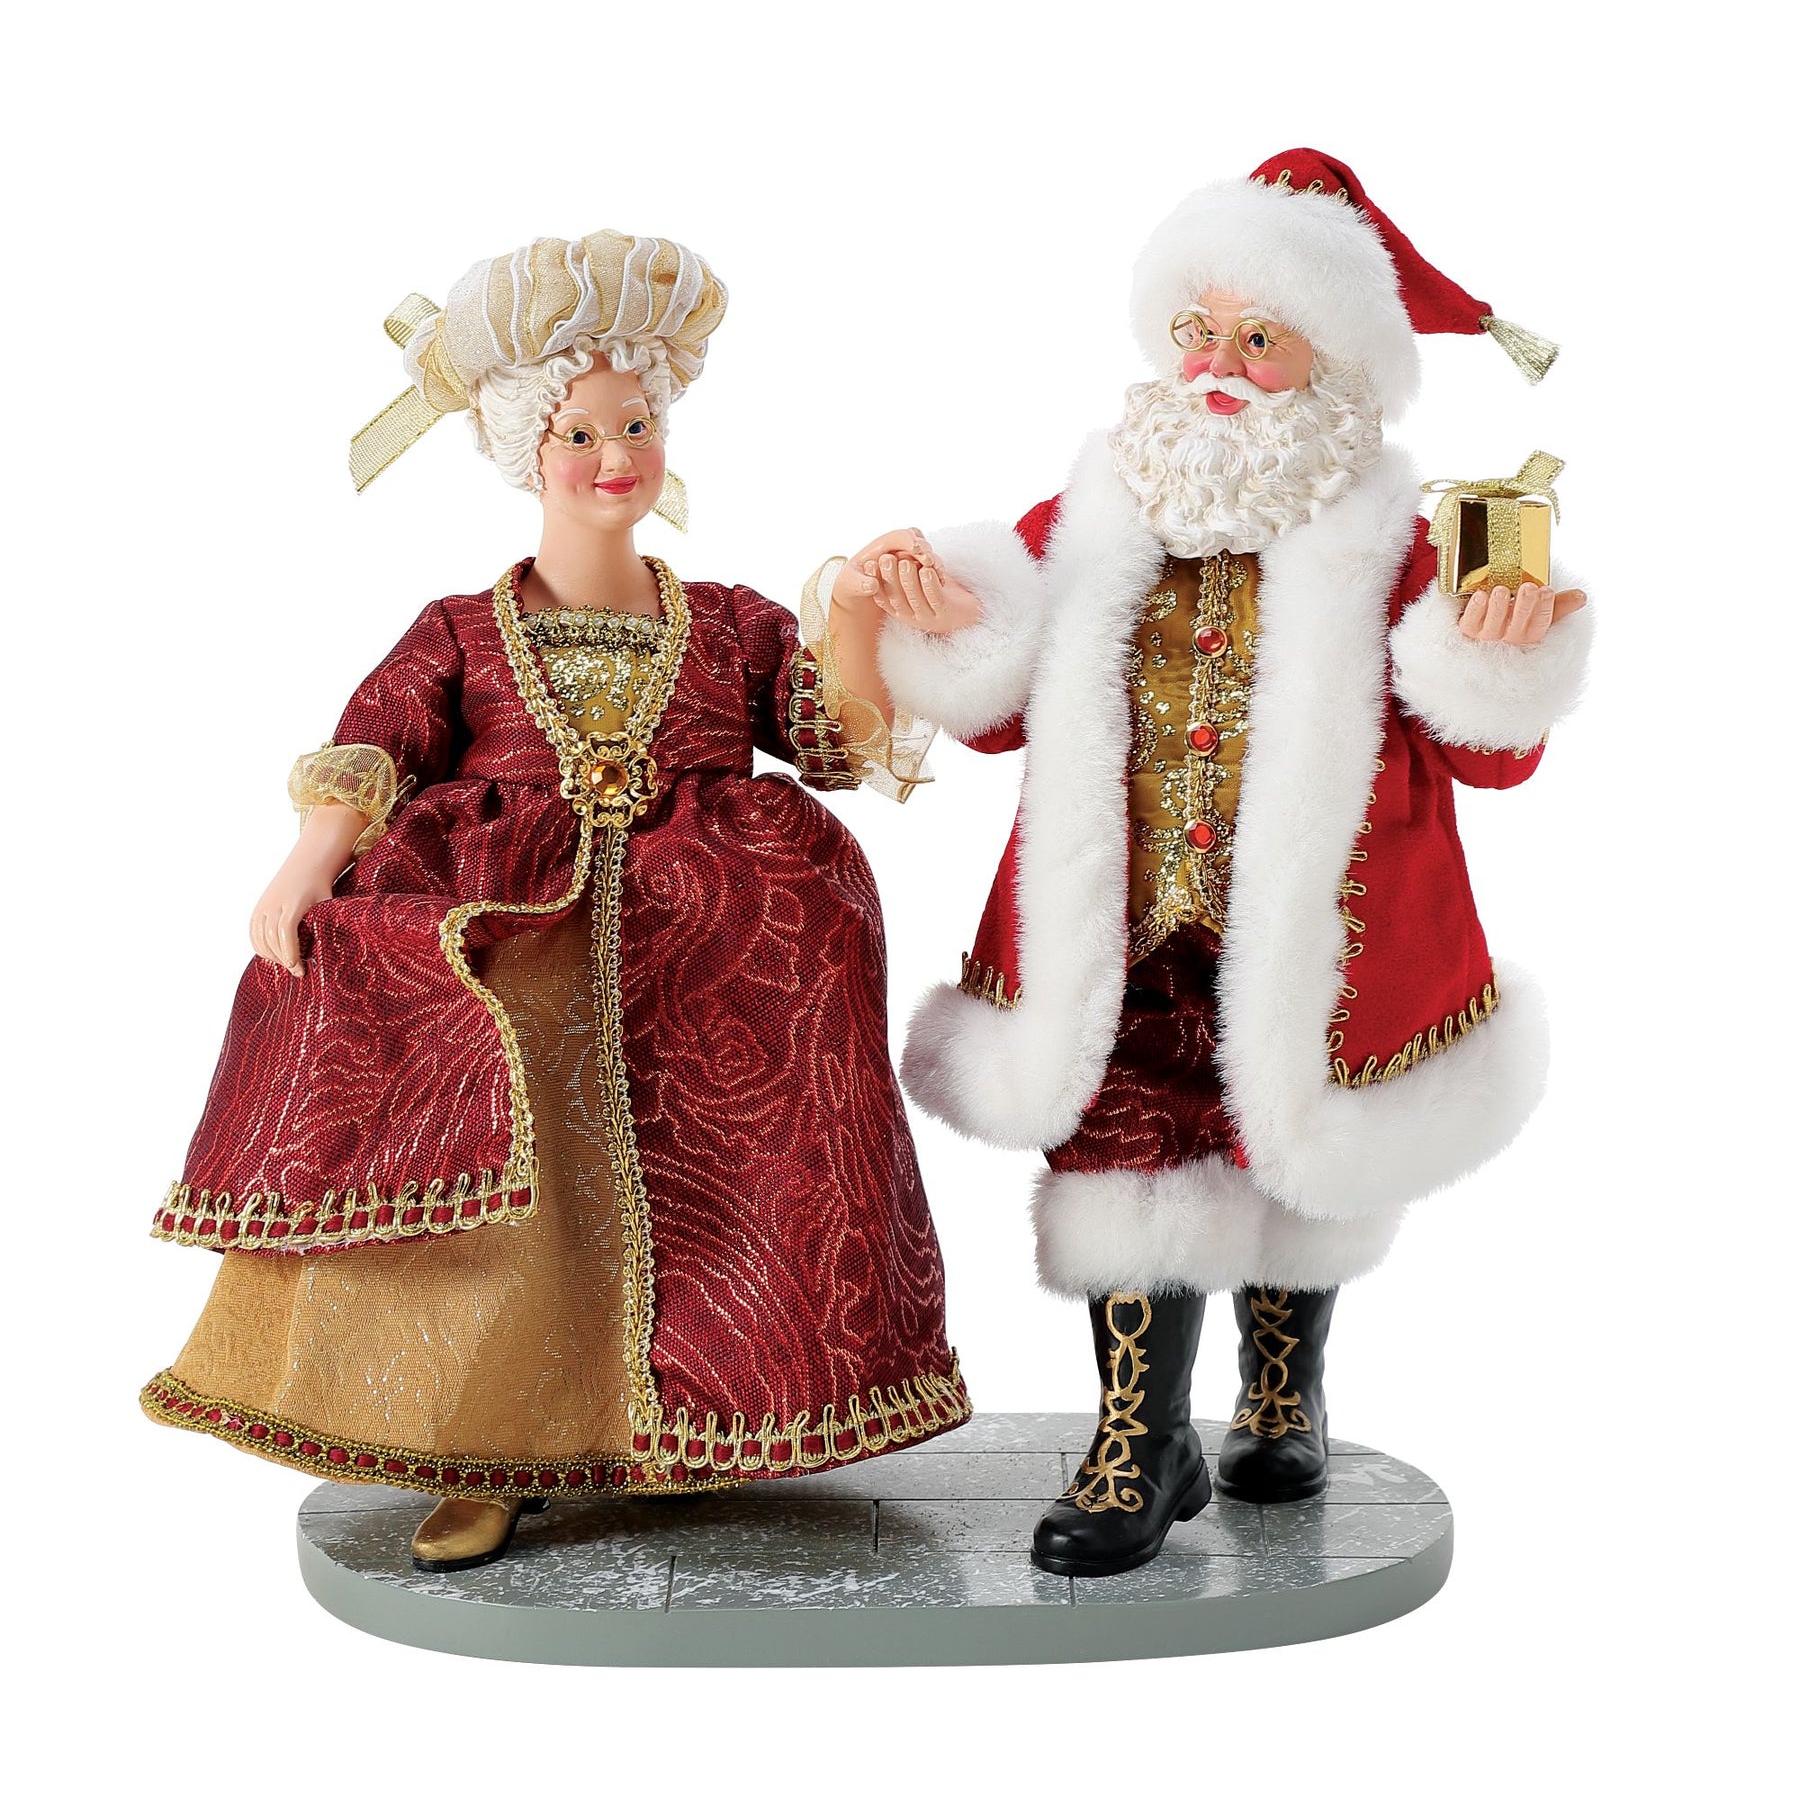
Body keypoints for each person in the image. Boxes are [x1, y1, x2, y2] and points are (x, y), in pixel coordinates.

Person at [142, 229, 969, 1574]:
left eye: (635, 425)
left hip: (708, 949)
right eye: (580, 434)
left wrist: (862, 612)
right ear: (527, 450)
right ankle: (490, 1446)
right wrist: (309, 860)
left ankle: (687, 1427)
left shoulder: (733, 622)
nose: (614, 457)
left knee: (724, 1189)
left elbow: (835, 743)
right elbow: (378, 741)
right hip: (518, 934)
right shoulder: (462, 631)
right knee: (513, 1201)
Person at [846, 151, 1591, 1578]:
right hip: (1121, 923)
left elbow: (1494, 758)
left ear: (1336, 358)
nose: (1219, 366)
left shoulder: (1397, 539)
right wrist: (945, 618)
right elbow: (996, 713)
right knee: (1125, 1152)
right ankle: (1141, 1442)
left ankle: (1281, 1392)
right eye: (1199, 330)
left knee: (1299, 1149)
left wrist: (1498, 656)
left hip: (1331, 929)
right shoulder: (1093, 514)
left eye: (1261, 336)